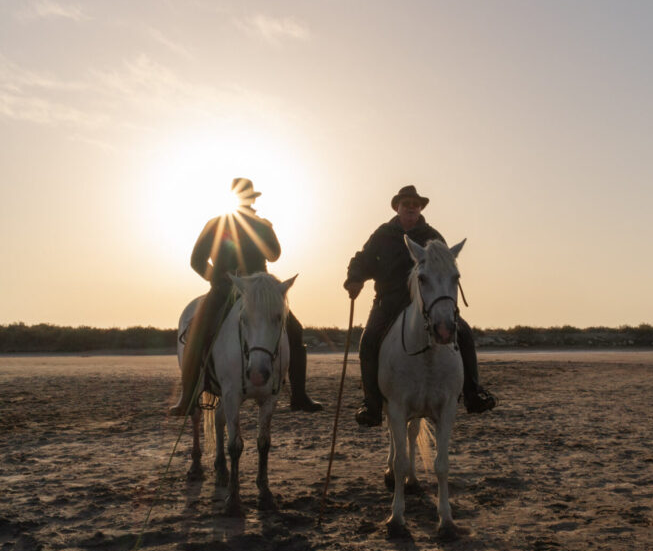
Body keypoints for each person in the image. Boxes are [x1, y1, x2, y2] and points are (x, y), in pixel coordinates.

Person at [343, 184, 497, 427]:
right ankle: (371, 404)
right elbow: (363, 259)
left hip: (428, 302)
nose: (411, 208)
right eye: (407, 204)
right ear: (398, 207)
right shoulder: (382, 235)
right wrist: (354, 279)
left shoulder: (432, 236)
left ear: (420, 208)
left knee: (464, 334)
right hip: (390, 300)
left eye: (416, 204)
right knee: (369, 340)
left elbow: (447, 267)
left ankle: (473, 393)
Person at [171, 177, 322, 416]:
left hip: (259, 290)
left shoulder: (262, 225)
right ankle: (187, 396)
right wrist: (216, 279)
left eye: (248, 198)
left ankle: (299, 395)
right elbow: (196, 260)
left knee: (294, 329)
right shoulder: (215, 224)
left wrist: (260, 230)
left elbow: (274, 255)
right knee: (197, 329)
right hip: (224, 287)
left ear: (252, 200)